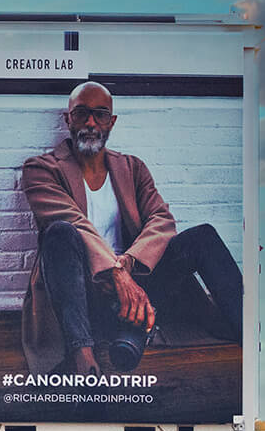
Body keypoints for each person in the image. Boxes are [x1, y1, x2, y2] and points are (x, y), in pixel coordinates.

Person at [19, 81, 243, 373]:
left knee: (202, 237)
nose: (90, 122)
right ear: (67, 119)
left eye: (100, 114)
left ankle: (246, 329)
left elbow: (161, 220)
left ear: (111, 122)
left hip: (135, 282)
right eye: (81, 113)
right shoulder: (41, 169)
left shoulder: (132, 167)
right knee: (59, 232)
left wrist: (128, 265)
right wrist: (115, 272)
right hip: (81, 291)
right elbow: (73, 220)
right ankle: (81, 354)